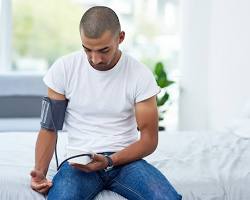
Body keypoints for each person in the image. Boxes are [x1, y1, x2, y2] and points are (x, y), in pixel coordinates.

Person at [30, 6, 182, 200]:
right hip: (80, 163)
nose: (95, 59)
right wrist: (40, 173)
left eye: (104, 50)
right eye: (87, 49)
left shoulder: (140, 75)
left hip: (126, 161)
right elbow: (49, 128)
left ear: (120, 38)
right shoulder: (64, 69)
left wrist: (110, 161)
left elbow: (149, 140)